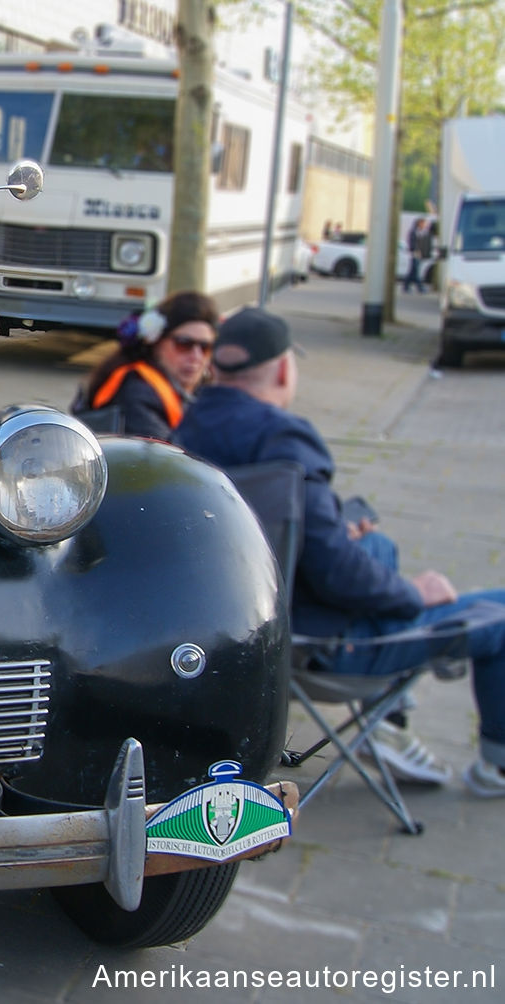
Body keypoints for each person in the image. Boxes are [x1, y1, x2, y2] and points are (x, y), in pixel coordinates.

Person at [174, 307, 505, 797]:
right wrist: (415, 593)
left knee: (375, 544)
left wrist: (334, 526)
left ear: (217, 367)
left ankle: (391, 720)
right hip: (316, 644)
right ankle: (493, 768)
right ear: (284, 369)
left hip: (234, 624)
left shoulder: (189, 425)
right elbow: (336, 575)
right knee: (496, 613)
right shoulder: (283, 436)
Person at [69, 290, 219, 441]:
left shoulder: (204, 390)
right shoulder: (137, 391)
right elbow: (171, 458)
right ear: (156, 342)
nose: (196, 356)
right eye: (184, 344)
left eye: (205, 347)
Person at [403, 216, 434, 293]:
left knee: (412, 271)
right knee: (416, 272)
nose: (425, 225)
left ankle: (406, 286)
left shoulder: (422, 232)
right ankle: (420, 287)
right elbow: (412, 242)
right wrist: (416, 250)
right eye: (423, 223)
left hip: (420, 254)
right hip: (415, 254)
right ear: (419, 223)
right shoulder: (414, 231)